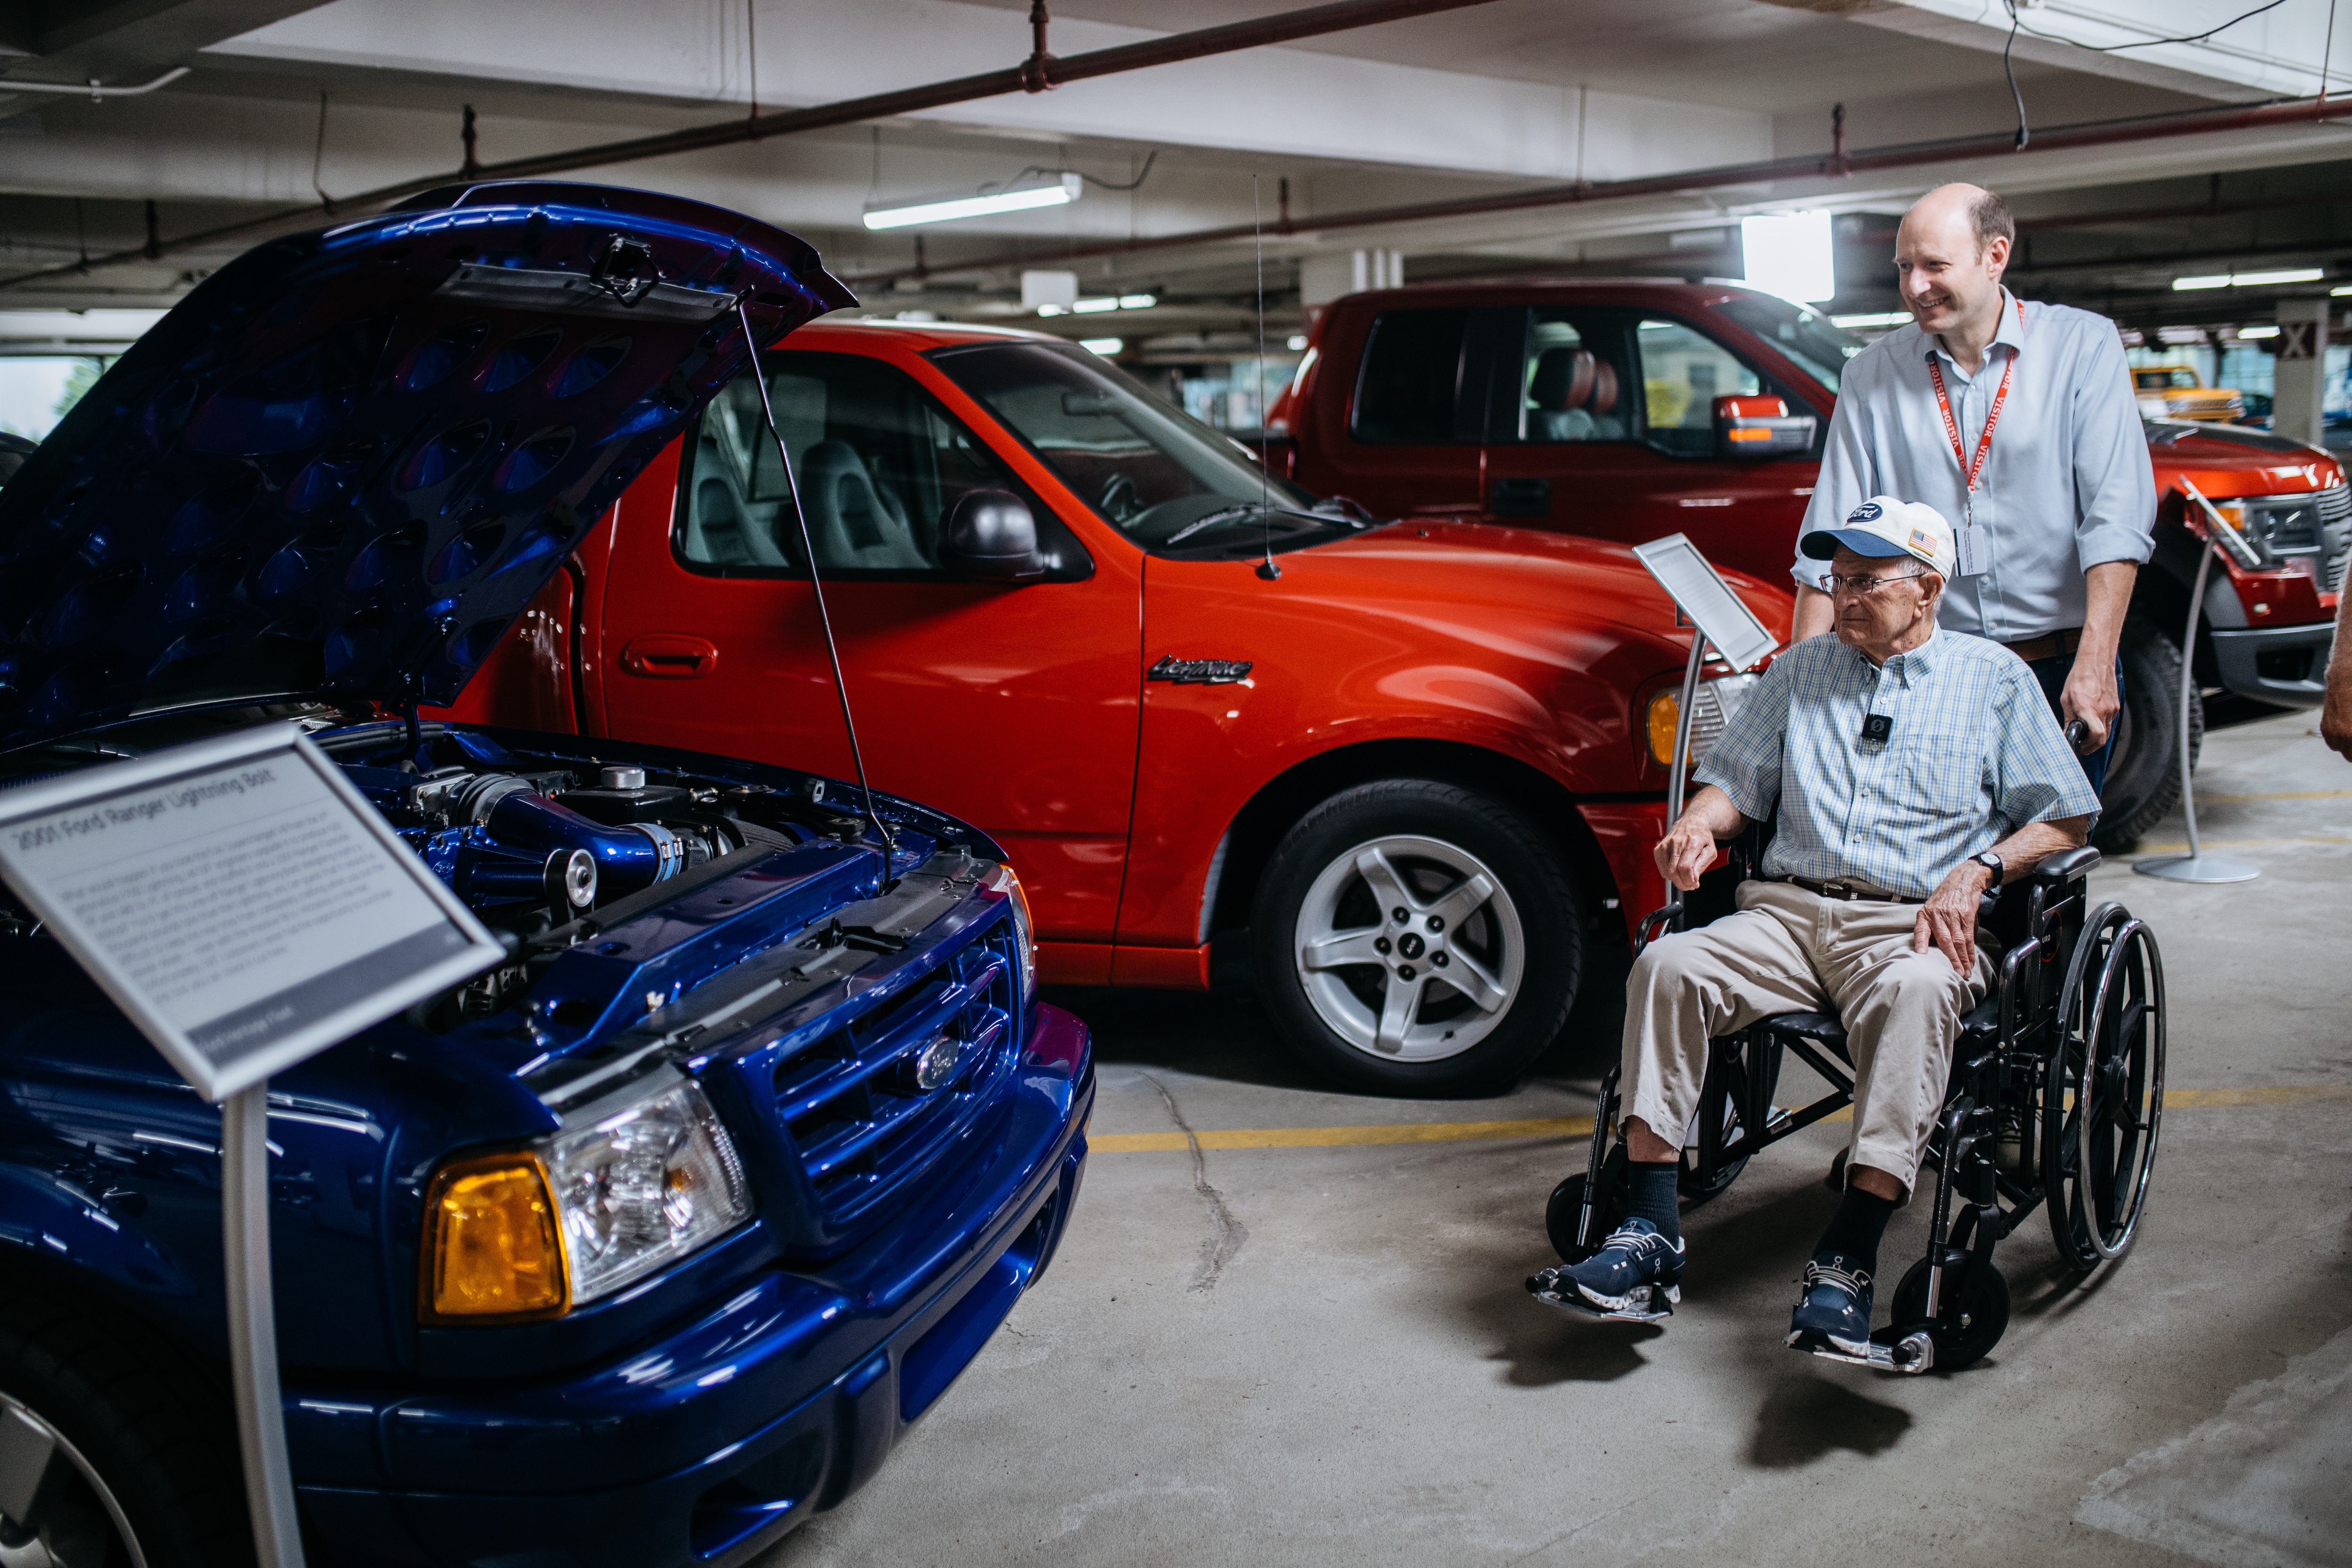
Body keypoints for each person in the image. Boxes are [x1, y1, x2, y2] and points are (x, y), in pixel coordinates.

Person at [1529, 497, 2098, 1360]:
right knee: (1669, 963)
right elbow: (1735, 785)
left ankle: (1849, 1254)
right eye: (1837, 581)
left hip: (1911, 928)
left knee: (1918, 990)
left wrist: (1980, 869)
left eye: (1867, 581)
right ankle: (1648, 1232)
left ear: (1929, 589)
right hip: (1786, 915)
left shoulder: (1995, 680)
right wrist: (1699, 825)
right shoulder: (1799, 672)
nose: (1845, 598)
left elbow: (2066, 820)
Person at [1790, 183, 2155, 792]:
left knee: (2043, 866)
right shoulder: (1871, 375)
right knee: (1929, 870)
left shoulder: (2081, 348)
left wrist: (2095, 662)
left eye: (1935, 265)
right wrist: (1797, 694)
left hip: (2057, 666)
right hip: (1928, 673)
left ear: (1995, 256)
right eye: (1905, 266)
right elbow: (1825, 547)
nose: (1914, 285)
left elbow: (2115, 519)